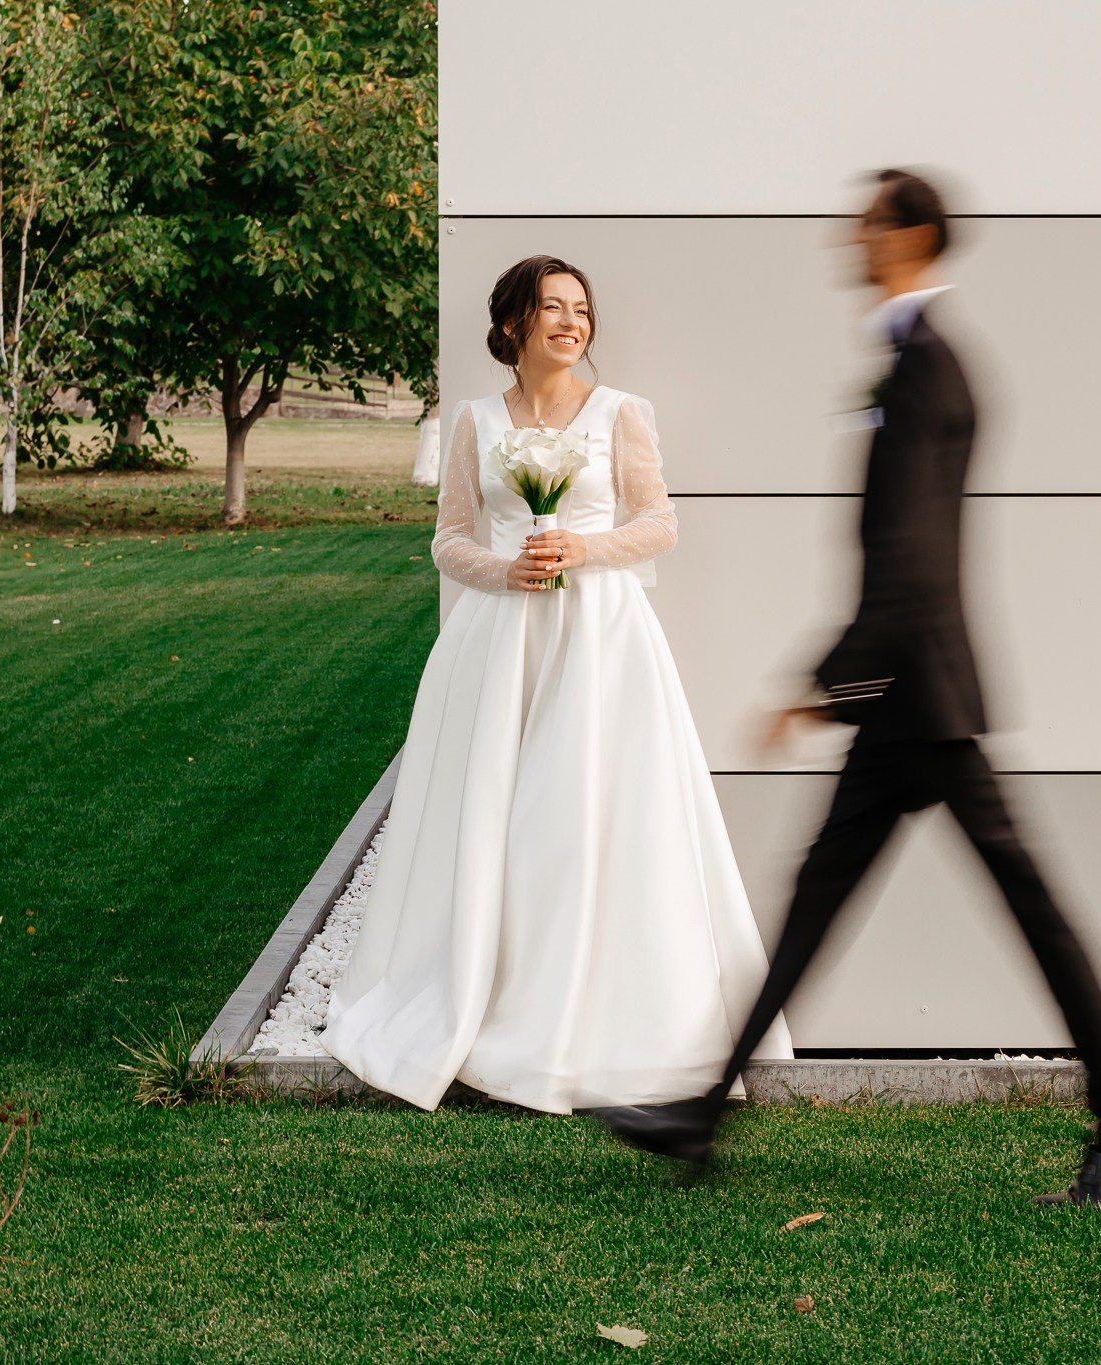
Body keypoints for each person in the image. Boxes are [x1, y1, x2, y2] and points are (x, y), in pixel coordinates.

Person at [597, 171, 1101, 1207]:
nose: (850, 237)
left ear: (910, 235)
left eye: (868, 222)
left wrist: (824, 682)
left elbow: (910, 557)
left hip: (921, 705)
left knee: (1016, 912)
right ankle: (702, 1111)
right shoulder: (909, 361)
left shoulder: (926, 370)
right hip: (908, 704)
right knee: (823, 900)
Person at [319, 255, 791, 1112]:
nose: (572, 323)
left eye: (582, 309)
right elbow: (450, 539)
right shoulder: (474, 421)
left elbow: (659, 523)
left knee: (583, 817)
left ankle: (597, 1018)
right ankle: (486, 1002)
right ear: (512, 326)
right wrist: (508, 572)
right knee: (500, 818)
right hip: (499, 645)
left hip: (603, 642)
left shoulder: (621, 415)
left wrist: (581, 549)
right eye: (553, 308)